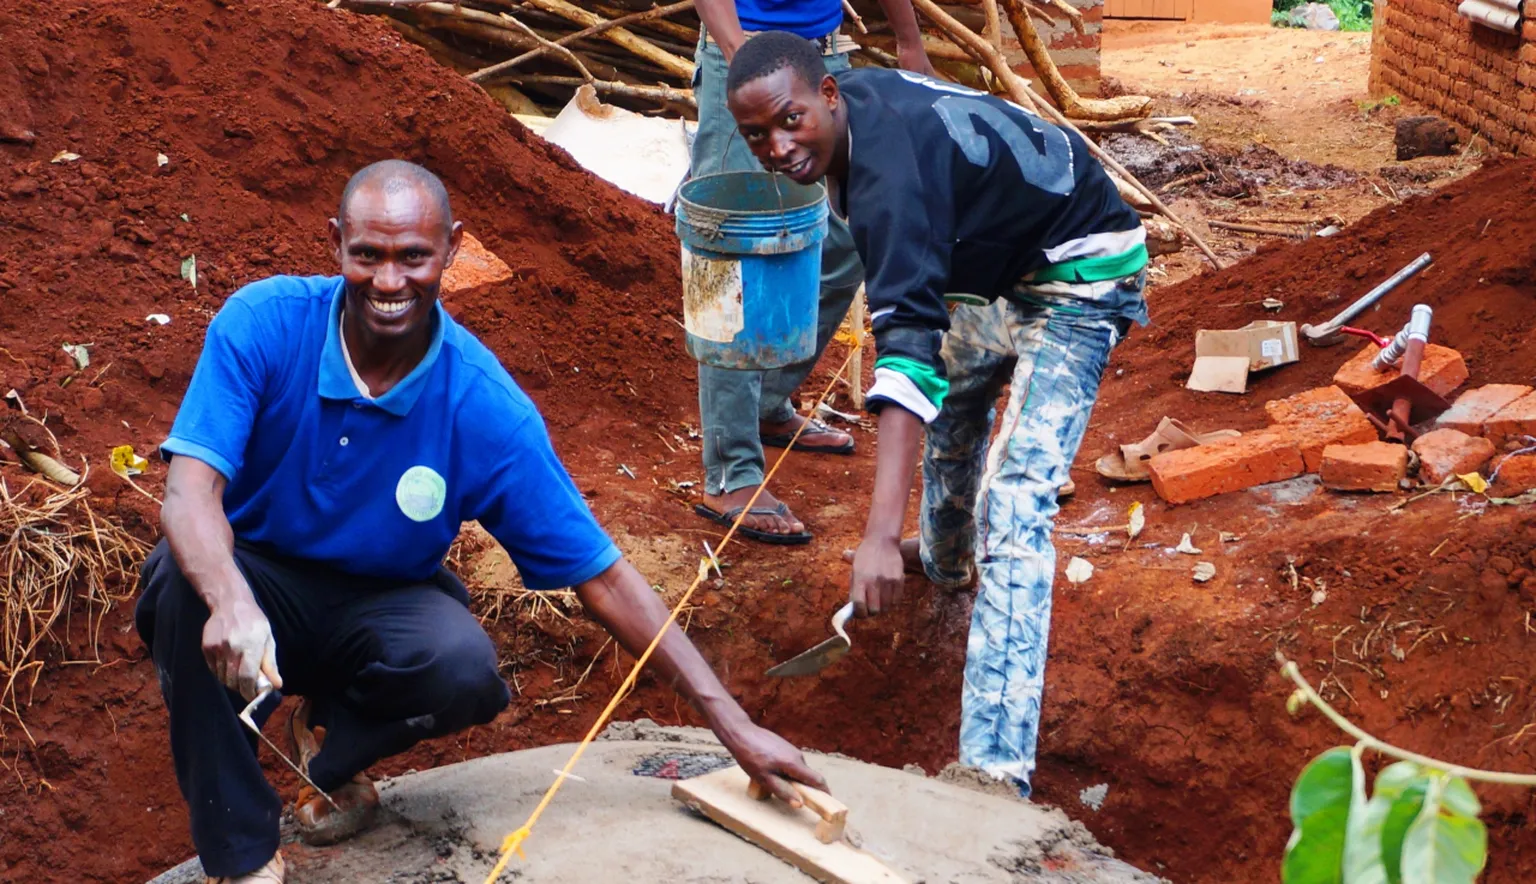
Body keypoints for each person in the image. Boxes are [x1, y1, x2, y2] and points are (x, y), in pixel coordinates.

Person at [136, 160, 826, 884]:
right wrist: (231, 598)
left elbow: (605, 578)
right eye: (367, 254)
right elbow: (188, 494)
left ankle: (329, 741)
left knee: (460, 667)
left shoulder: (482, 403)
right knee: (182, 587)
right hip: (257, 578)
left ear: (453, 249)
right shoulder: (264, 324)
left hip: (379, 600)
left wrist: (733, 724)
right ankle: (241, 857)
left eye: (414, 257)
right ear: (336, 242)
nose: (389, 280)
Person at [723, 34, 1150, 795]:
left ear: (828, 95)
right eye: (757, 134)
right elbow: (918, 334)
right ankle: (949, 558)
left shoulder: (887, 180)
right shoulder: (853, 115)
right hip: (1001, 267)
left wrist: (878, 535)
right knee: (954, 399)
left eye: (789, 121)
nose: (777, 147)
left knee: (1016, 503)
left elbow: (906, 351)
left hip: (1083, 271)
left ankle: (994, 774)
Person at [688, 0, 933, 545]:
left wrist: (909, 41)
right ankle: (731, 473)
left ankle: (769, 400)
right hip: (742, 54)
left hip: (821, 60)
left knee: (847, 235)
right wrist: (738, 61)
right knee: (729, 258)